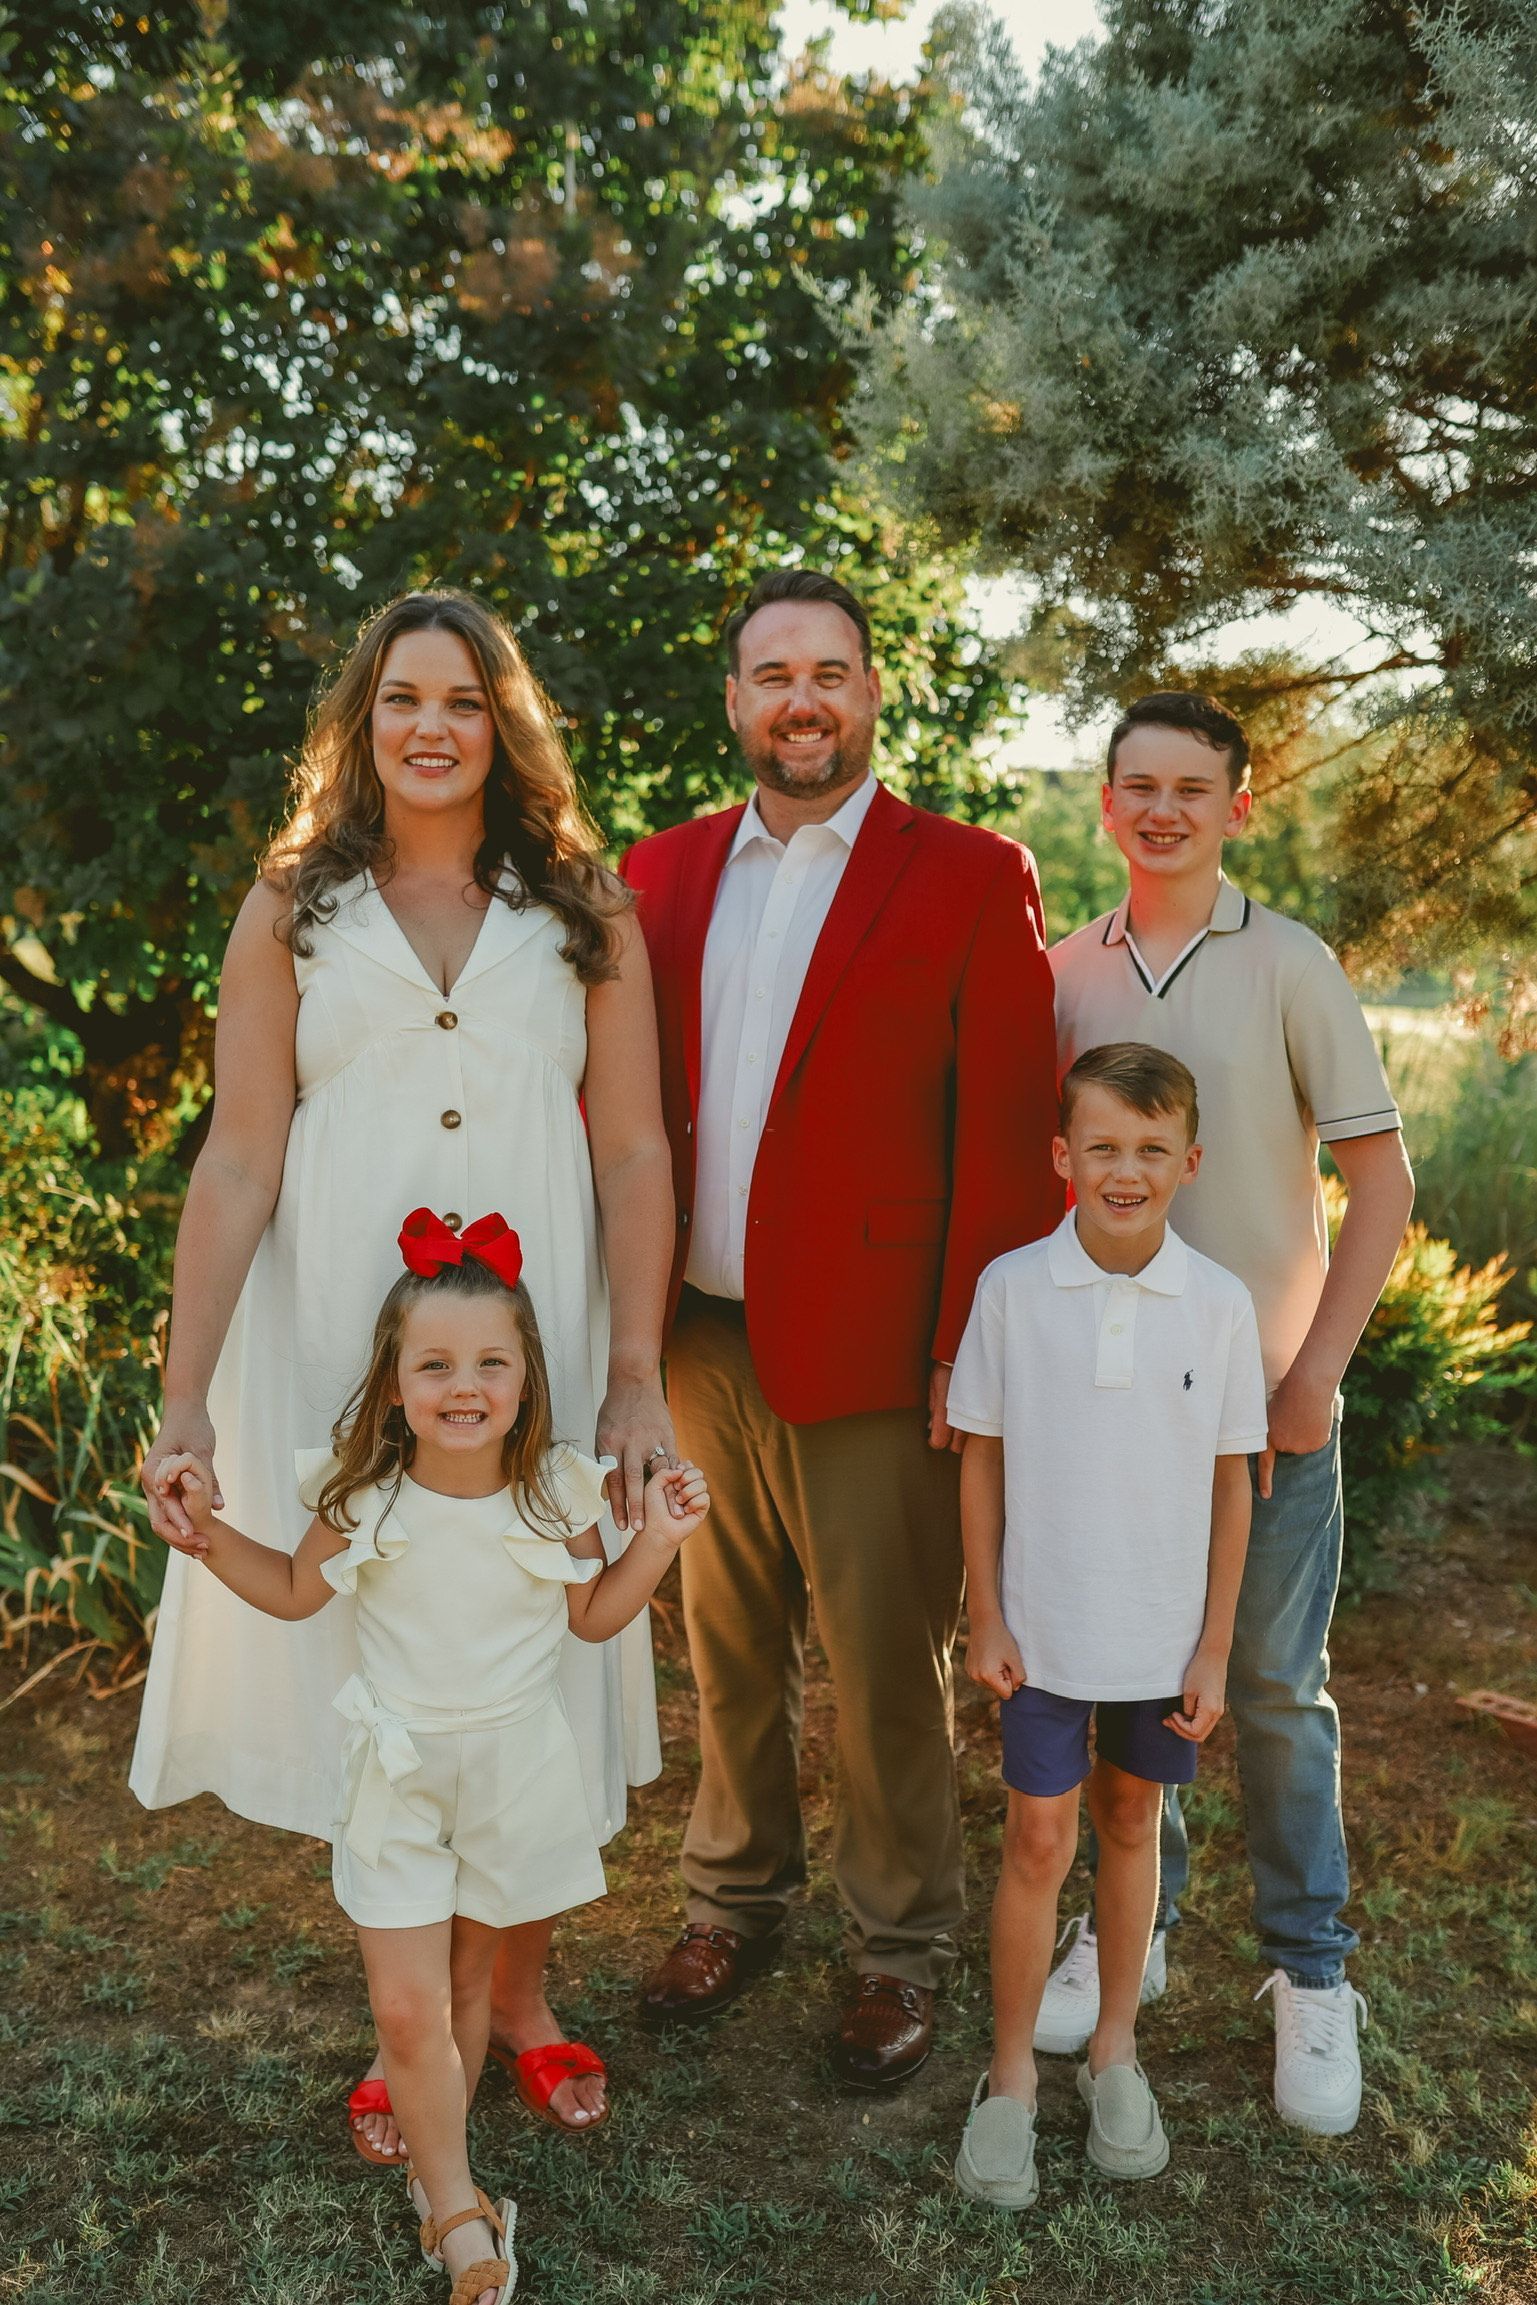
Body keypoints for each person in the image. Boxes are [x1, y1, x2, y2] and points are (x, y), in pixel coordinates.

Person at [130, 588, 677, 2150]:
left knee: (534, 1631)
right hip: (349, 1338)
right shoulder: (294, 906)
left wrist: (630, 1370)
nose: (431, 726)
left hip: (542, 1336)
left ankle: (521, 1998)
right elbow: (238, 1160)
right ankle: (416, 2015)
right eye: (400, 700)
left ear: (506, 723)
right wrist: (187, 1395)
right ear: (362, 726)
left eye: (461, 698)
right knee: (394, 1654)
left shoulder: (584, 905)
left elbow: (633, 1147)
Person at [623, 568, 1061, 2086]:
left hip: (882, 1346)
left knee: (883, 1659)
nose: (800, 699)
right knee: (724, 1639)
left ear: (873, 692)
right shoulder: (657, 876)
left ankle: (896, 1950)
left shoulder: (965, 870)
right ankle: (733, 1900)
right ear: (735, 701)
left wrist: (968, 1352)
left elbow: (1006, 1142)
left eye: (829, 671)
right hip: (694, 1334)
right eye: (770, 674)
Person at [154, 1213, 710, 2305]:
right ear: (396, 1380)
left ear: (525, 1374)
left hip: (508, 1776)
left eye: (491, 1361)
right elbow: (291, 1591)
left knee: (466, 1987)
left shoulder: (553, 1489)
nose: (466, 1384)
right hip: (398, 1781)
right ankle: (458, 2213)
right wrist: (206, 1538)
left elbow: (596, 1618)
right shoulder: (363, 1495)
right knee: (407, 2010)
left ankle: (439, 2176)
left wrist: (655, 1537)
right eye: (436, 1363)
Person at [1045, 691, 1414, 2135]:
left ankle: (1311, 1971)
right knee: (1131, 1675)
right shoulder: (1064, 970)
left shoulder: (1291, 964)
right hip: (1105, 1406)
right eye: (1137, 784)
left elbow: (1380, 1186)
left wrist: (1316, 1367)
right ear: (1106, 803)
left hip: (1264, 1407)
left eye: (1192, 787)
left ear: (1236, 808)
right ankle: (1132, 1924)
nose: (1163, 809)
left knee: (1267, 1688)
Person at [949, 1043, 1267, 2207]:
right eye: (1100, 1147)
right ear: (1061, 1157)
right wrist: (985, 1610)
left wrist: (1213, 1643)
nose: (1122, 1169)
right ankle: (1007, 2082)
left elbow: (1235, 1480)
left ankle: (1114, 2051)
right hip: (1043, 1626)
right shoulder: (1011, 1289)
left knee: (1131, 1823)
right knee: (1038, 1842)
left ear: (1189, 1160)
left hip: (1162, 1636)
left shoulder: (1220, 1305)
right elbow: (979, 1457)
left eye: (1147, 1149)